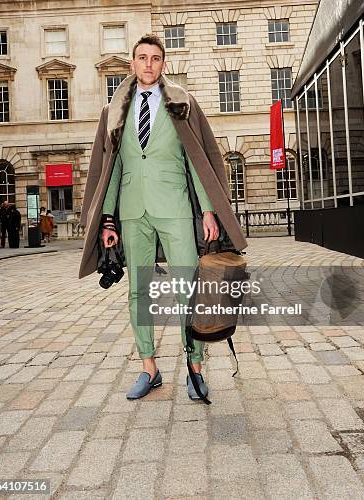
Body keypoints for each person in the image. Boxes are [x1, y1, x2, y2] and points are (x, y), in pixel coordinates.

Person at [79, 34, 247, 401]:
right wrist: (107, 219)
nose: (149, 64)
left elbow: (197, 159)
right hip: (133, 212)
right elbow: (112, 166)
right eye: (142, 58)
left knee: (189, 288)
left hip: (174, 207)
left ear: (163, 64)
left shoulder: (181, 104)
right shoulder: (114, 111)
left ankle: (195, 368)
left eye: (156, 58)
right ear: (132, 64)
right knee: (139, 291)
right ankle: (148, 368)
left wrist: (207, 210)